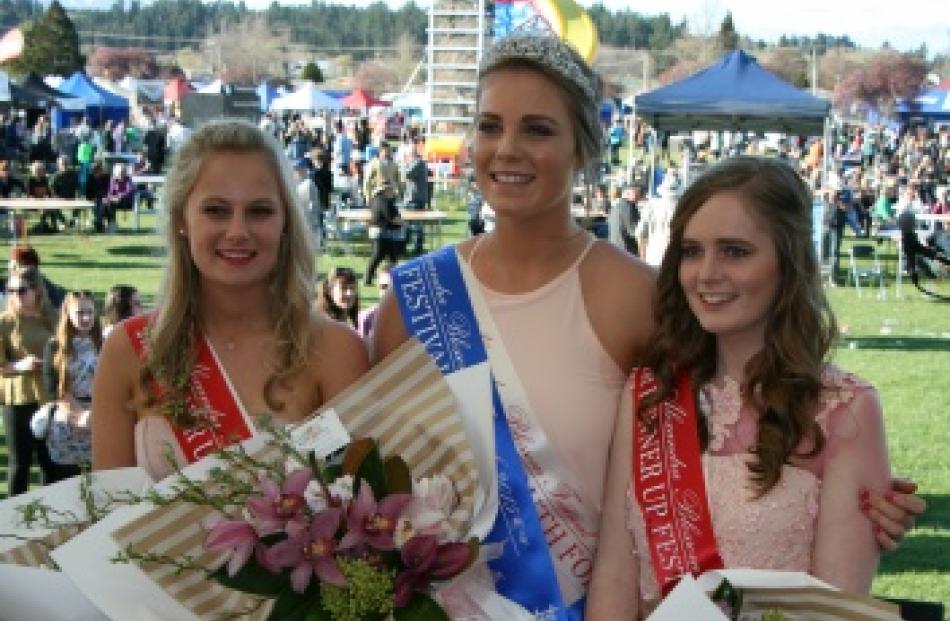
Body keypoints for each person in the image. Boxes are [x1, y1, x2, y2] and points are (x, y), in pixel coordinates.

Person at [371, 35, 924, 618]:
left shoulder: (640, 297)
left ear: (584, 147)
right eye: (489, 126)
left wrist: (865, 489)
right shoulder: (412, 301)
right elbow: (370, 485)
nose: (507, 149)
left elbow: (740, 423)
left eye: (537, 129)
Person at [587, 157, 901, 618]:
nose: (707, 273)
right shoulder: (651, 392)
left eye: (734, 251)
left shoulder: (845, 410)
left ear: (788, 261)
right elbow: (615, 571)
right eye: (692, 251)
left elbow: (834, 610)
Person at [91, 119, 368, 482]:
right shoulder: (127, 350)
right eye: (216, 210)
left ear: (286, 221)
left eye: (260, 211)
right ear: (181, 220)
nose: (238, 231)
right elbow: (106, 520)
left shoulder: (336, 350)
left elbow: (362, 507)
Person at [0, 266, 58, 495]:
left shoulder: (53, 318)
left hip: (48, 396)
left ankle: (51, 514)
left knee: (50, 461)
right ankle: (13, 518)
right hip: (17, 398)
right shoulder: (5, 322)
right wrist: (19, 365)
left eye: (21, 290)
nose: (15, 296)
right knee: (19, 463)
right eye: (10, 290)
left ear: (37, 291)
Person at [41, 290, 101, 479]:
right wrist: (79, 416)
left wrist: (92, 417)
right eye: (80, 313)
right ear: (68, 314)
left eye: (90, 312)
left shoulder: (104, 344)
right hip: (67, 421)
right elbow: (55, 390)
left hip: (97, 417)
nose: (86, 318)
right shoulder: (54, 347)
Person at [364, 180, 403, 286]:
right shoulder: (384, 201)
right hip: (383, 231)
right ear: (386, 190)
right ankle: (368, 278)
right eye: (390, 189)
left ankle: (391, 279)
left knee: (389, 256)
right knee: (379, 256)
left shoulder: (375, 200)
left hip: (380, 231)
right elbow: (391, 217)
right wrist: (403, 222)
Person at [316, 266, 360, 330]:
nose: (349, 293)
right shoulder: (324, 322)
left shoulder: (354, 319)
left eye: (352, 288)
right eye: (343, 288)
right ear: (329, 290)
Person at [102, 163, 135, 232]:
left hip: (126, 202)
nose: (121, 174)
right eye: (119, 173)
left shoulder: (128, 179)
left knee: (110, 204)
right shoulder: (113, 180)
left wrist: (119, 197)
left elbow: (129, 191)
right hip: (115, 201)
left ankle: (111, 225)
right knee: (106, 203)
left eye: (122, 172)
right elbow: (110, 192)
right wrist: (109, 198)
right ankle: (111, 224)